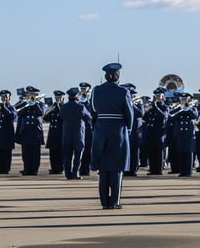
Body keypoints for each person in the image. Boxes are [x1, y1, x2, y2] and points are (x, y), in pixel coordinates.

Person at [90, 63, 134, 210]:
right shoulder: (123, 92)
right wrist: (128, 127)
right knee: (116, 167)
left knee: (103, 168)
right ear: (118, 77)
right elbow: (129, 113)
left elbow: (93, 109)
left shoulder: (96, 90)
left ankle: (104, 202)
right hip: (118, 129)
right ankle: (114, 201)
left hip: (101, 127)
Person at [60, 87, 92, 179]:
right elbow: (89, 117)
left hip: (67, 133)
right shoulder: (81, 107)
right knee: (78, 154)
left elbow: (61, 116)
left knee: (67, 155)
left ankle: (67, 174)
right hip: (78, 133)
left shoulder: (64, 107)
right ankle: (75, 173)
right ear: (77, 96)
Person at [142, 87, 169, 175]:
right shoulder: (152, 107)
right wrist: (147, 110)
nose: (157, 97)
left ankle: (158, 169)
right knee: (151, 151)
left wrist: (156, 107)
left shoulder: (164, 106)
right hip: (150, 132)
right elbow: (144, 118)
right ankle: (152, 168)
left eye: (159, 95)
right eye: (156, 96)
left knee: (158, 152)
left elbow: (164, 116)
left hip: (159, 133)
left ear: (163, 96)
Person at [0, 90, 17, 175]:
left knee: (7, 153)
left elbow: (12, 116)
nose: (4, 99)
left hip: (8, 134)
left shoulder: (11, 107)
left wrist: (4, 107)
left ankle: (6, 169)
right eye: (3, 97)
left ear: (9, 98)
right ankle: (1, 169)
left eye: (6, 97)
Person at [44, 90, 65, 175]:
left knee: (60, 152)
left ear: (63, 98)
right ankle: (53, 168)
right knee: (52, 153)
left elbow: (63, 116)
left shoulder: (64, 107)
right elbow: (46, 118)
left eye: (59, 98)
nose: (58, 99)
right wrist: (48, 110)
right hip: (53, 132)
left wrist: (59, 107)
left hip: (61, 132)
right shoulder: (52, 107)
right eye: (56, 98)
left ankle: (60, 168)